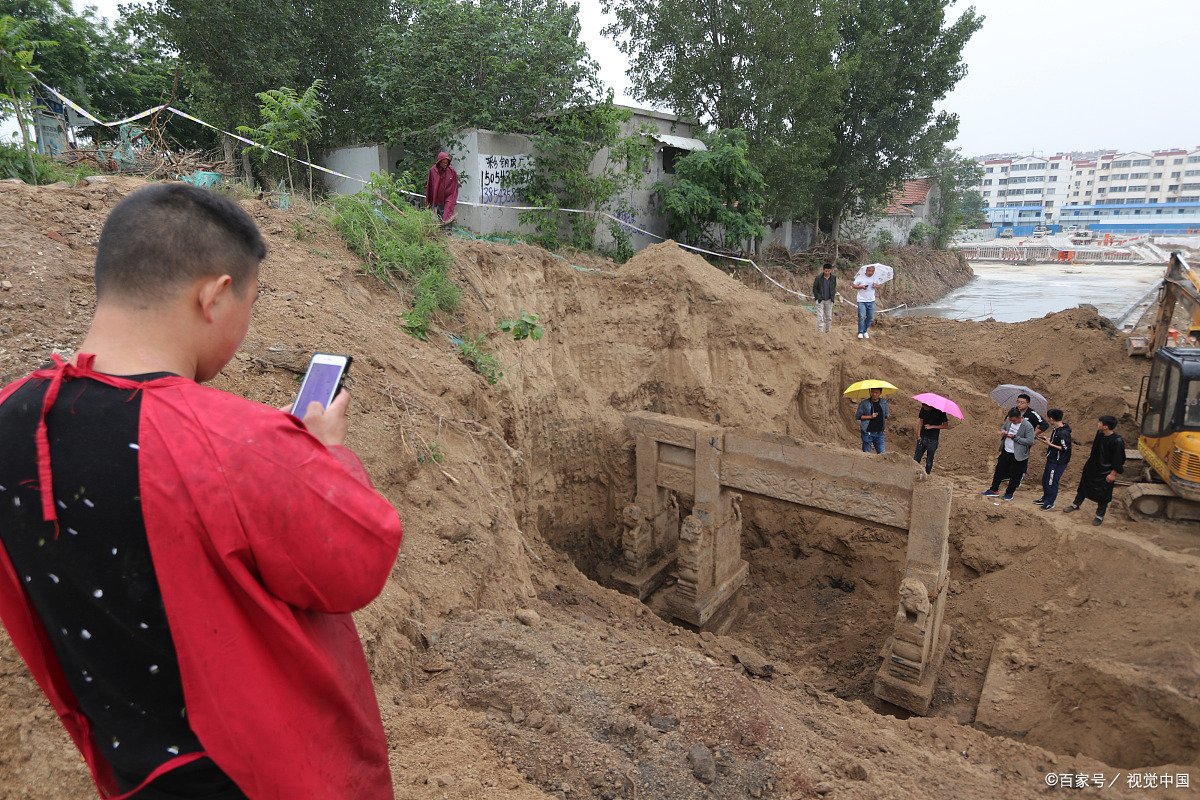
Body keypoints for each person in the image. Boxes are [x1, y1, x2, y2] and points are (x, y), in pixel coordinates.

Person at [0, 183, 404, 799]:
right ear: (214, 295)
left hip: (129, 771)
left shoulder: (11, 418)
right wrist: (325, 457)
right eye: (250, 303)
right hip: (256, 777)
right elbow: (358, 561)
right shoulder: (234, 442)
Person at [1063, 415, 1125, 525]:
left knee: (1104, 493)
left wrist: (1113, 473)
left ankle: (1100, 515)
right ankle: (1076, 504)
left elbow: (1119, 459)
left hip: (1106, 471)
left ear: (1105, 426)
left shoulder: (1117, 441)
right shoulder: (1100, 434)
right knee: (1083, 486)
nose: (1098, 424)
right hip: (1092, 466)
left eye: (1100, 423)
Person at [982, 407, 1035, 500]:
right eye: (1010, 420)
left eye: (1014, 420)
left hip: (1017, 454)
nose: (1012, 422)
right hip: (1006, 450)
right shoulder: (1009, 420)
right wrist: (1004, 432)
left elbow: (1030, 441)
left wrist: (1016, 438)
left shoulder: (1027, 426)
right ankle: (994, 489)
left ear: (1019, 418)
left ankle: (1009, 493)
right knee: (999, 471)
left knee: (1014, 474)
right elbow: (1003, 427)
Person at [1034, 408, 1072, 510]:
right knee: (1046, 479)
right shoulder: (1056, 429)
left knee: (1052, 481)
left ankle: (1050, 502)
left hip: (1058, 461)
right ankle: (1045, 498)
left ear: (1051, 419)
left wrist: (1049, 444)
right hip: (1052, 459)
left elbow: (1065, 448)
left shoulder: (1063, 433)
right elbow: (1058, 442)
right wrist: (1048, 440)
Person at [913, 402, 950, 474]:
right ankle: (914, 472)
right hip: (922, 437)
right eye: (923, 407)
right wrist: (918, 436)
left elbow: (945, 426)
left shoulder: (940, 412)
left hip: (933, 439)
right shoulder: (923, 410)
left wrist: (932, 426)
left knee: (929, 459)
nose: (925, 409)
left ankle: (927, 474)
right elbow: (921, 422)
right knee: (916, 458)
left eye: (926, 407)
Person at [425, 151, 459, 224]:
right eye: (443, 162)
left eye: (446, 162)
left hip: (449, 195)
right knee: (439, 215)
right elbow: (431, 185)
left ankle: (448, 232)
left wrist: (453, 197)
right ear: (439, 162)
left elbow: (455, 185)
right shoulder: (433, 170)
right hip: (438, 197)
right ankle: (441, 231)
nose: (444, 164)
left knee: (448, 214)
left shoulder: (451, 171)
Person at [852, 264, 884, 339]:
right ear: (866, 270)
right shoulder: (860, 277)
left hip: (871, 300)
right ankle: (860, 332)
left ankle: (865, 330)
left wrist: (876, 286)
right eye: (869, 271)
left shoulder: (875, 278)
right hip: (861, 300)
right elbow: (853, 285)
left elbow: (880, 286)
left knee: (870, 317)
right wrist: (861, 287)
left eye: (872, 271)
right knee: (862, 316)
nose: (871, 272)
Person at [856, 386, 889, 453]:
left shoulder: (883, 403)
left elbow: (885, 416)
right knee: (867, 454)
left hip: (879, 433)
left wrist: (884, 428)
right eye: (873, 392)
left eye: (876, 392)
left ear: (880, 393)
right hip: (868, 433)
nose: (874, 394)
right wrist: (870, 417)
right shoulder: (864, 404)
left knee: (882, 454)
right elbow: (858, 416)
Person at [812, 262, 836, 333]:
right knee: (820, 316)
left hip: (829, 299)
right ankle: (820, 331)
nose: (827, 272)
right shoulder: (818, 278)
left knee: (829, 317)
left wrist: (832, 296)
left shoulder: (833, 278)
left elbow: (834, 287)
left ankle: (828, 331)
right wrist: (817, 297)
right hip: (820, 299)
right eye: (826, 271)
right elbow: (814, 288)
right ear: (823, 270)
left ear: (831, 270)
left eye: (829, 271)